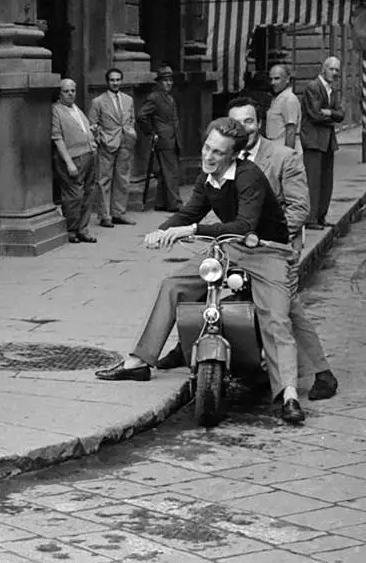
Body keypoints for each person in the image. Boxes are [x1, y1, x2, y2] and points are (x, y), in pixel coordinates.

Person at [95, 117, 305, 424]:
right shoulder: (207, 178)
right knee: (172, 284)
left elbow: (244, 224)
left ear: (234, 155)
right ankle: (139, 361)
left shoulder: (249, 177)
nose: (209, 156)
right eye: (207, 148)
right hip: (229, 248)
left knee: (276, 317)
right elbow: (190, 210)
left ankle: (288, 394)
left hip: (267, 251)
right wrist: (163, 230)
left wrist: (190, 230)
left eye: (218, 152)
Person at [155, 99, 338, 402]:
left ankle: (321, 373)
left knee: (285, 310)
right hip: (234, 243)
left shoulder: (283, 157)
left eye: (249, 121)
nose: (244, 128)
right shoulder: (219, 161)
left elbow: (299, 208)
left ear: (259, 124)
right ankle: (185, 347)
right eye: (237, 122)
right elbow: (205, 209)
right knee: (196, 279)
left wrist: (262, 238)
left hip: (272, 246)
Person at [88, 67, 137, 227]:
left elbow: (131, 119)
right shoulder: (98, 101)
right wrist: (101, 138)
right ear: (107, 82)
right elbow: (92, 124)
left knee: (123, 179)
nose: (115, 83)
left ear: (121, 81)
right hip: (107, 144)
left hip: (125, 142)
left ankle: (119, 213)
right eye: (112, 80)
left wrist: (130, 132)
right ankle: (105, 216)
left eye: (117, 80)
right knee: (104, 180)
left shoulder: (128, 100)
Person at [51, 79, 98, 244]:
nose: (70, 94)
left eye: (73, 90)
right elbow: (57, 137)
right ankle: (71, 229)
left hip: (89, 153)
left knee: (88, 193)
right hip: (73, 157)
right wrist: (69, 162)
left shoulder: (76, 108)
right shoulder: (56, 110)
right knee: (73, 195)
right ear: (60, 93)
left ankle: (83, 229)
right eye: (66, 91)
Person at [301, 56, 344, 229]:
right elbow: (315, 114)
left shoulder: (332, 90)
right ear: (323, 69)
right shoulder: (313, 87)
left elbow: (341, 115)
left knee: (327, 180)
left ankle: (320, 217)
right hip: (313, 140)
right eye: (331, 69)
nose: (334, 73)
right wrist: (331, 115)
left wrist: (330, 113)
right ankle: (311, 219)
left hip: (327, 141)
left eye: (337, 70)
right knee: (313, 181)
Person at [138, 65, 182, 212]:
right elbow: (141, 116)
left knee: (164, 172)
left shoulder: (170, 98)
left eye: (170, 80)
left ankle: (161, 202)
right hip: (163, 139)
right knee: (171, 172)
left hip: (172, 138)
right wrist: (151, 133)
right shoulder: (154, 97)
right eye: (165, 80)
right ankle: (175, 203)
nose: (168, 83)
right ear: (159, 82)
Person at [265, 64, 301, 153]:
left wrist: (288, 156)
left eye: (277, 78)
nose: (273, 82)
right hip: (275, 147)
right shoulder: (278, 98)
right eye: (271, 79)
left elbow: (291, 131)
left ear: (287, 79)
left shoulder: (289, 99)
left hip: (283, 148)